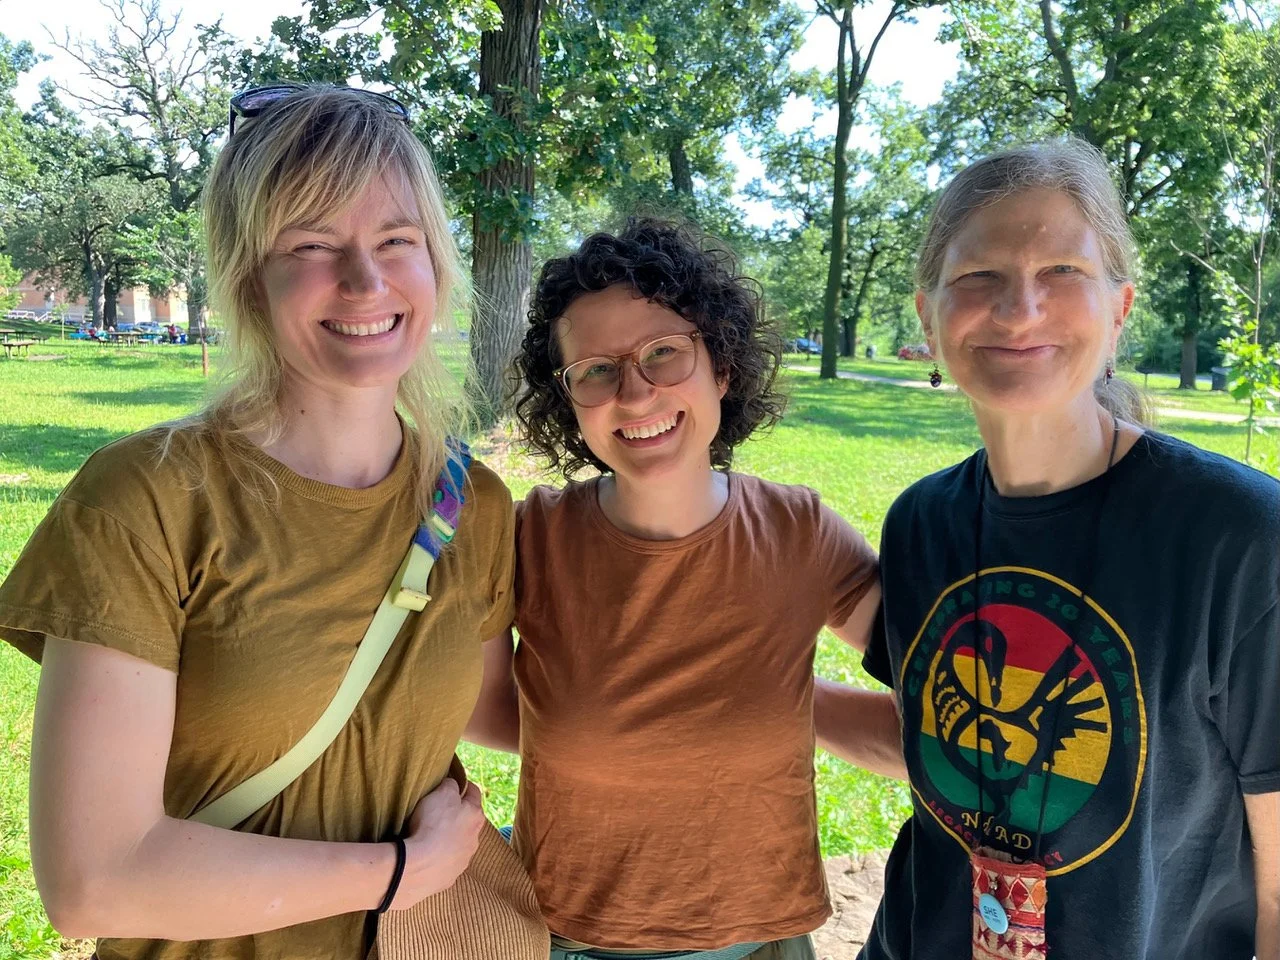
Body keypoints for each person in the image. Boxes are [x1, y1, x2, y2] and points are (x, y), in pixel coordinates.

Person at [0, 85, 546, 960]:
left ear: (436, 263)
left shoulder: (470, 504)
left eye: (397, 240)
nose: (366, 281)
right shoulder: (147, 498)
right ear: (250, 275)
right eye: (314, 243)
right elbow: (93, 881)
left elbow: (505, 714)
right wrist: (404, 869)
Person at [835, 139, 1280, 959]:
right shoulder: (919, 524)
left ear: (1120, 309)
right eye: (979, 278)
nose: (1019, 309)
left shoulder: (1241, 539)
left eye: (1062, 274)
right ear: (929, 318)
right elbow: (938, 744)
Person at [465, 218, 904, 960]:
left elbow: (933, 725)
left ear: (722, 367)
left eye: (664, 353)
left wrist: (790, 700)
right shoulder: (525, 540)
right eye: (596, 371)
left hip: (760, 943)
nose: (636, 394)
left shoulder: (801, 532)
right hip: (574, 939)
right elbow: (487, 714)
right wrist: (625, 733)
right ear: (568, 400)